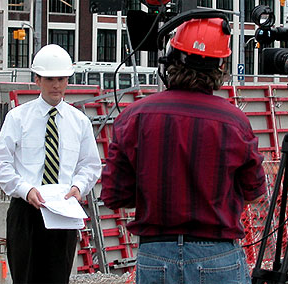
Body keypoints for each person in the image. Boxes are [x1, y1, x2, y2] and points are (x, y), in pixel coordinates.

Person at [100, 17, 267, 284]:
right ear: (221, 67)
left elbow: (114, 195)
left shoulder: (135, 116)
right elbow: (254, 191)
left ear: (171, 59)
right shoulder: (235, 121)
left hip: (155, 254)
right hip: (217, 256)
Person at [0, 44, 102, 284]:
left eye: (61, 79)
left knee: (57, 277)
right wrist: (25, 189)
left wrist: (78, 187)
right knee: (25, 277)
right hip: (26, 211)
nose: (56, 85)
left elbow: (91, 165)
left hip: (63, 211)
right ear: (37, 79)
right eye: (50, 79)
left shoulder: (79, 121)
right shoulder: (18, 118)